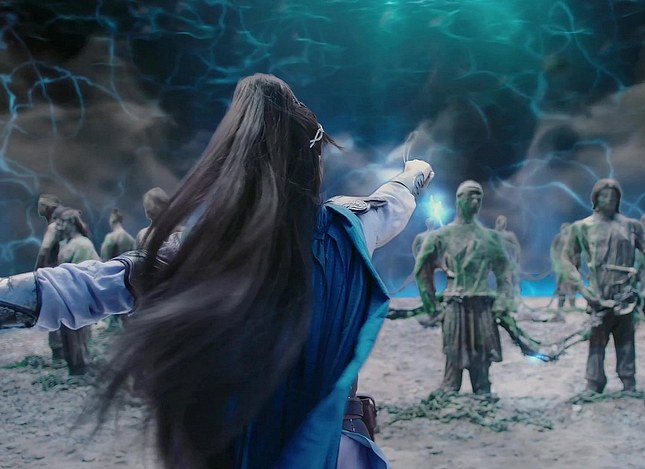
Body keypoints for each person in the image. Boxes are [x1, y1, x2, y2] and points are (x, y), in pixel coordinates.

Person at [0, 73, 434, 469]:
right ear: (311, 161)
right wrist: (415, 170)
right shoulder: (346, 229)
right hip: (329, 454)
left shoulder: (201, 252)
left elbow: (84, 286)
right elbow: (394, 201)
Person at [560, 179, 645, 393]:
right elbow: (566, 259)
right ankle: (594, 382)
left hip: (625, 296)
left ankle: (628, 381)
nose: (609, 199)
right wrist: (583, 290)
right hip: (598, 297)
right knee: (597, 340)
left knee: (626, 340)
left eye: (614, 195)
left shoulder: (631, 226)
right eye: (605, 195)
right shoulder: (582, 227)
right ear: (596, 198)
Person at [414, 180, 515, 395]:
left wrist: (502, 301)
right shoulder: (441, 237)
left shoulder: (490, 238)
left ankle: (482, 389)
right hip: (455, 305)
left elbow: (505, 271)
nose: (475, 200)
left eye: (479, 196)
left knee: (481, 354)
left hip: (482, 306)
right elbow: (422, 271)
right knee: (454, 351)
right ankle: (451, 388)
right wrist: (432, 307)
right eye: (471, 195)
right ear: (459, 199)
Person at [54, 208, 101, 375]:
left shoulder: (82, 244)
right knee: (68, 335)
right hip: (66, 297)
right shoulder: (67, 243)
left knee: (78, 335)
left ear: (72, 223)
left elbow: (84, 273)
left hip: (78, 298)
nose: (60, 226)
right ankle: (74, 368)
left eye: (63, 223)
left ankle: (81, 368)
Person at [34, 193, 66, 360]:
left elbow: (44, 250)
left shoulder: (53, 227)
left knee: (53, 311)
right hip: (64, 273)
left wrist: (37, 271)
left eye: (40, 204)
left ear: (46, 208)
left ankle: (58, 351)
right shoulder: (63, 225)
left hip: (53, 274)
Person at [549, 223, 576, 310]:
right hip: (560, 267)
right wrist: (556, 263)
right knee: (561, 287)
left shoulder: (572, 239)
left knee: (572, 286)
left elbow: (575, 252)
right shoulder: (558, 238)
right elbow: (553, 250)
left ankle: (572, 306)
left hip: (570, 267)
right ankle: (560, 305)